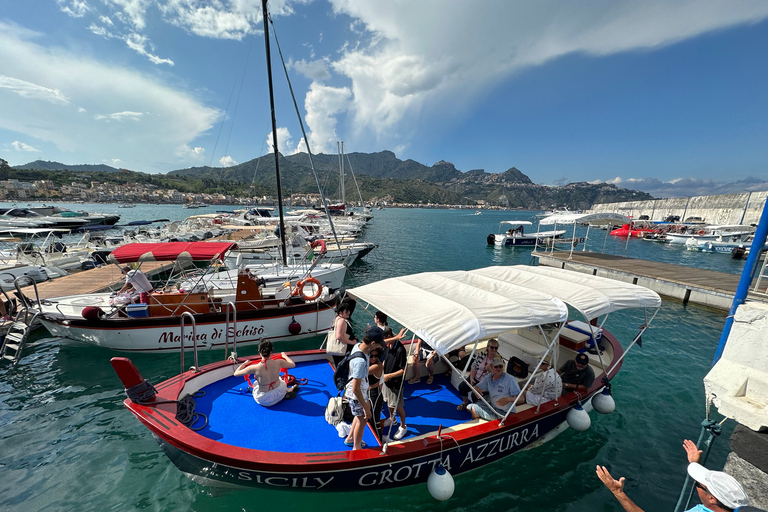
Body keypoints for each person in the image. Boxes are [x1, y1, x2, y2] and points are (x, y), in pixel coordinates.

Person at [596, 439, 751, 512]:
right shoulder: (738, 508)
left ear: (712, 499)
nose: (695, 485)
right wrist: (695, 464)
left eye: (699, 484)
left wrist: (618, 492)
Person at [343, 325, 384, 450]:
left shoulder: (359, 346)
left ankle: (350, 438)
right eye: (378, 344)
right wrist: (366, 407)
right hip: (357, 394)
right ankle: (357, 447)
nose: (379, 347)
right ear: (372, 343)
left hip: (357, 391)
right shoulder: (360, 362)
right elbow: (356, 389)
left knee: (358, 415)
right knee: (363, 418)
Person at [233, 341, 297, 407]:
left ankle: (284, 392)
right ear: (271, 350)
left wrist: (244, 364)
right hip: (280, 393)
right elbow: (293, 365)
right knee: (280, 380)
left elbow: (235, 373)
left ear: (259, 351)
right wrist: (285, 356)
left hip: (264, 400)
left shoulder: (254, 367)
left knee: (257, 382)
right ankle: (287, 390)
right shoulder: (279, 362)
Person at [466, 355, 521, 421]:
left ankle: (479, 426)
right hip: (492, 406)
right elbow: (477, 387)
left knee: (473, 408)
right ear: (491, 367)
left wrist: (508, 399)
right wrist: (475, 388)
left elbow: (522, 399)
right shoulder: (489, 377)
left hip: (505, 413)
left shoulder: (510, 379)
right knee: (468, 407)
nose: (498, 368)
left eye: (500, 366)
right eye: (496, 366)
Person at [381, 321, 409, 442]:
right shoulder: (388, 346)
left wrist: (389, 375)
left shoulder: (400, 350)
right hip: (386, 381)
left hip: (395, 384)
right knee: (388, 402)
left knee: (398, 406)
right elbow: (385, 361)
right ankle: (392, 418)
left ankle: (403, 426)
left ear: (388, 337)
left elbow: (404, 370)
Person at [456, 339, 499, 412]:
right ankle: (465, 403)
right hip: (475, 377)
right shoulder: (481, 354)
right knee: (462, 386)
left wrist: (491, 371)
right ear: (488, 347)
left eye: (496, 348)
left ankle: (476, 410)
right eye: (492, 347)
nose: (494, 350)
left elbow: (499, 376)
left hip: (487, 383)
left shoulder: (499, 360)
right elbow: (474, 366)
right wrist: (472, 377)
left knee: (475, 395)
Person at [366, 349, 385, 441]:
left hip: (375, 394)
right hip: (368, 393)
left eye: (376, 356)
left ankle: (379, 440)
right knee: (369, 418)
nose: (373, 358)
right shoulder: (368, 364)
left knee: (374, 420)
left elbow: (361, 372)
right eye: (371, 356)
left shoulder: (377, 366)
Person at [332, 303, 357, 367]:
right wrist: (352, 342)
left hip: (339, 349)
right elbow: (339, 336)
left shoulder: (337, 319)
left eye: (349, 310)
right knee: (343, 368)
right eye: (346, 311)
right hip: (344, 349)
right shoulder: (342, 320)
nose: (349, 312)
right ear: (340, 312)